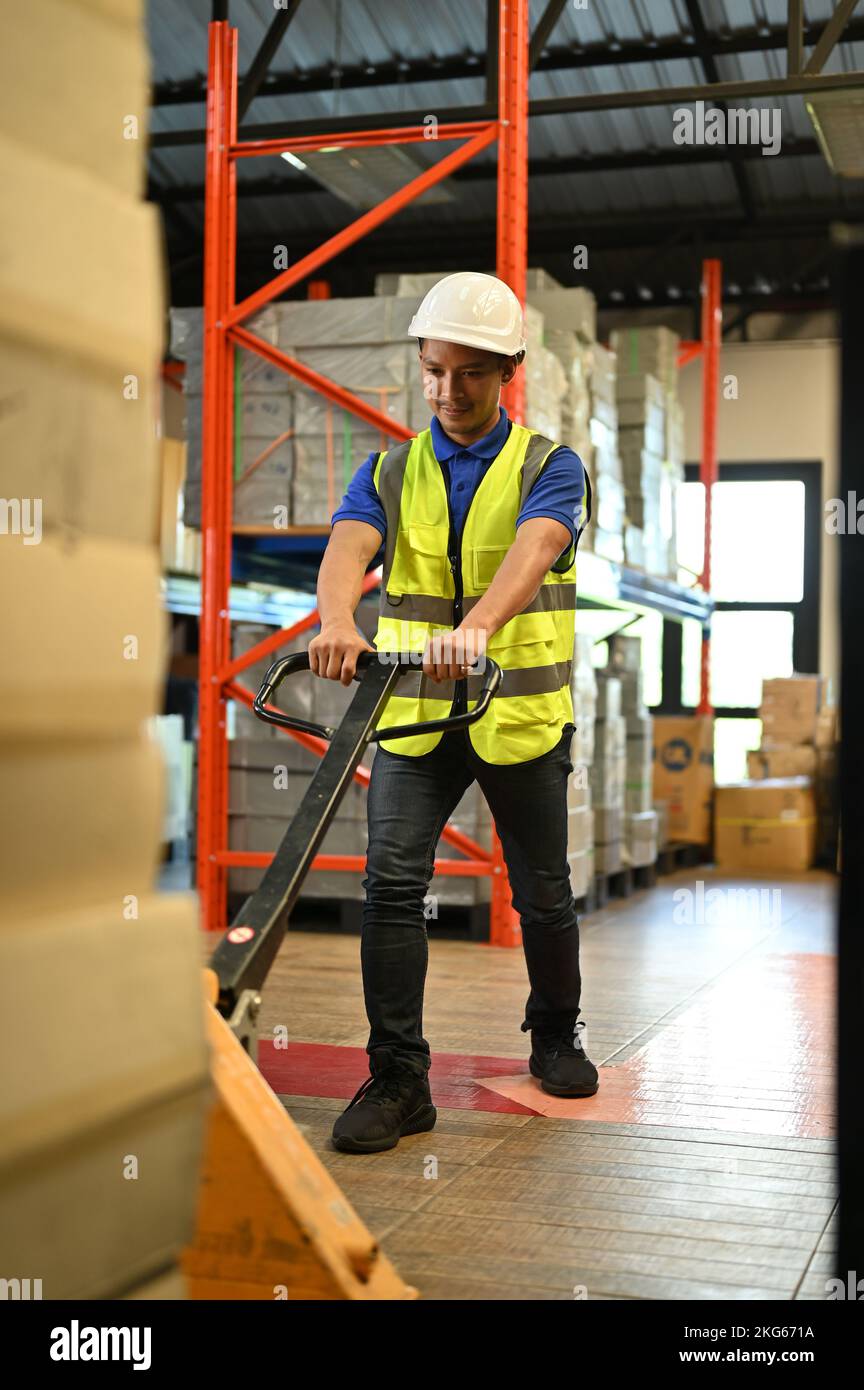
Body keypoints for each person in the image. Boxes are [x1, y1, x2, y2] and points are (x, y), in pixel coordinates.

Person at [308, 272, 597, 1155]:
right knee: (391, 889)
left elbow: (537, 548)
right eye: (434, 371)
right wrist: (334, 622)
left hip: (517, 716)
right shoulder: (389, 469)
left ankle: (554, 1035)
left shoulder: (551, 467)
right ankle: (398, 1078)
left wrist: (476, 629)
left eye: (470, 374)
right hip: (416, 720)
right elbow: (348, 544)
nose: (448, 391)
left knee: (542, 892)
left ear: (509, 370)